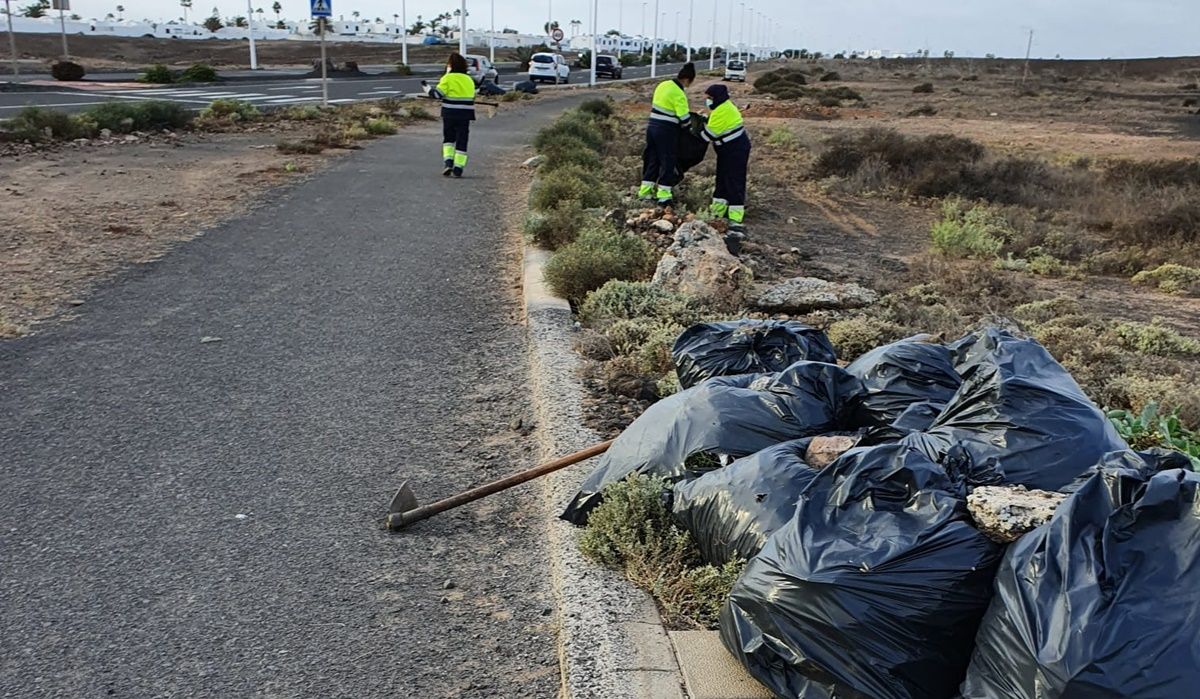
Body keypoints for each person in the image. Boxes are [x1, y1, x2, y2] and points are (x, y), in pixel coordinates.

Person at [640, 63, 696, 206]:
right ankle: (664, 195)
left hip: (652, 127)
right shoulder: (679, 93)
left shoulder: (663, 85)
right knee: (667, 160)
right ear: (688, 79)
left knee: (652, 159)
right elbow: (684, 118)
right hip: (666, 130)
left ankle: (645, 192)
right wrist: (690, 128)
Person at [701, 83, 751, 236]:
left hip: (735, 149)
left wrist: (696, 127)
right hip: (727, 149)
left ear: (716, 98)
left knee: (734, 180)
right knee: (722, 179)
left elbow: (707, 136)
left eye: (709, 98)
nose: (708, 101)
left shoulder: (722, 110)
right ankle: (718, 213)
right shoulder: (724, 106)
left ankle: (735, 219)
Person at [425, 53, 476, 178]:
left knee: (449, 139)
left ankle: (448, 162)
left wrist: (427, 89)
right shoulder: (469, 79)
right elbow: (472, 95)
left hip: (450, 113)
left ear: (450, 65)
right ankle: (459, 167)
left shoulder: (447, 78)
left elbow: (437, 94)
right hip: (465, 114)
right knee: (462, 140)